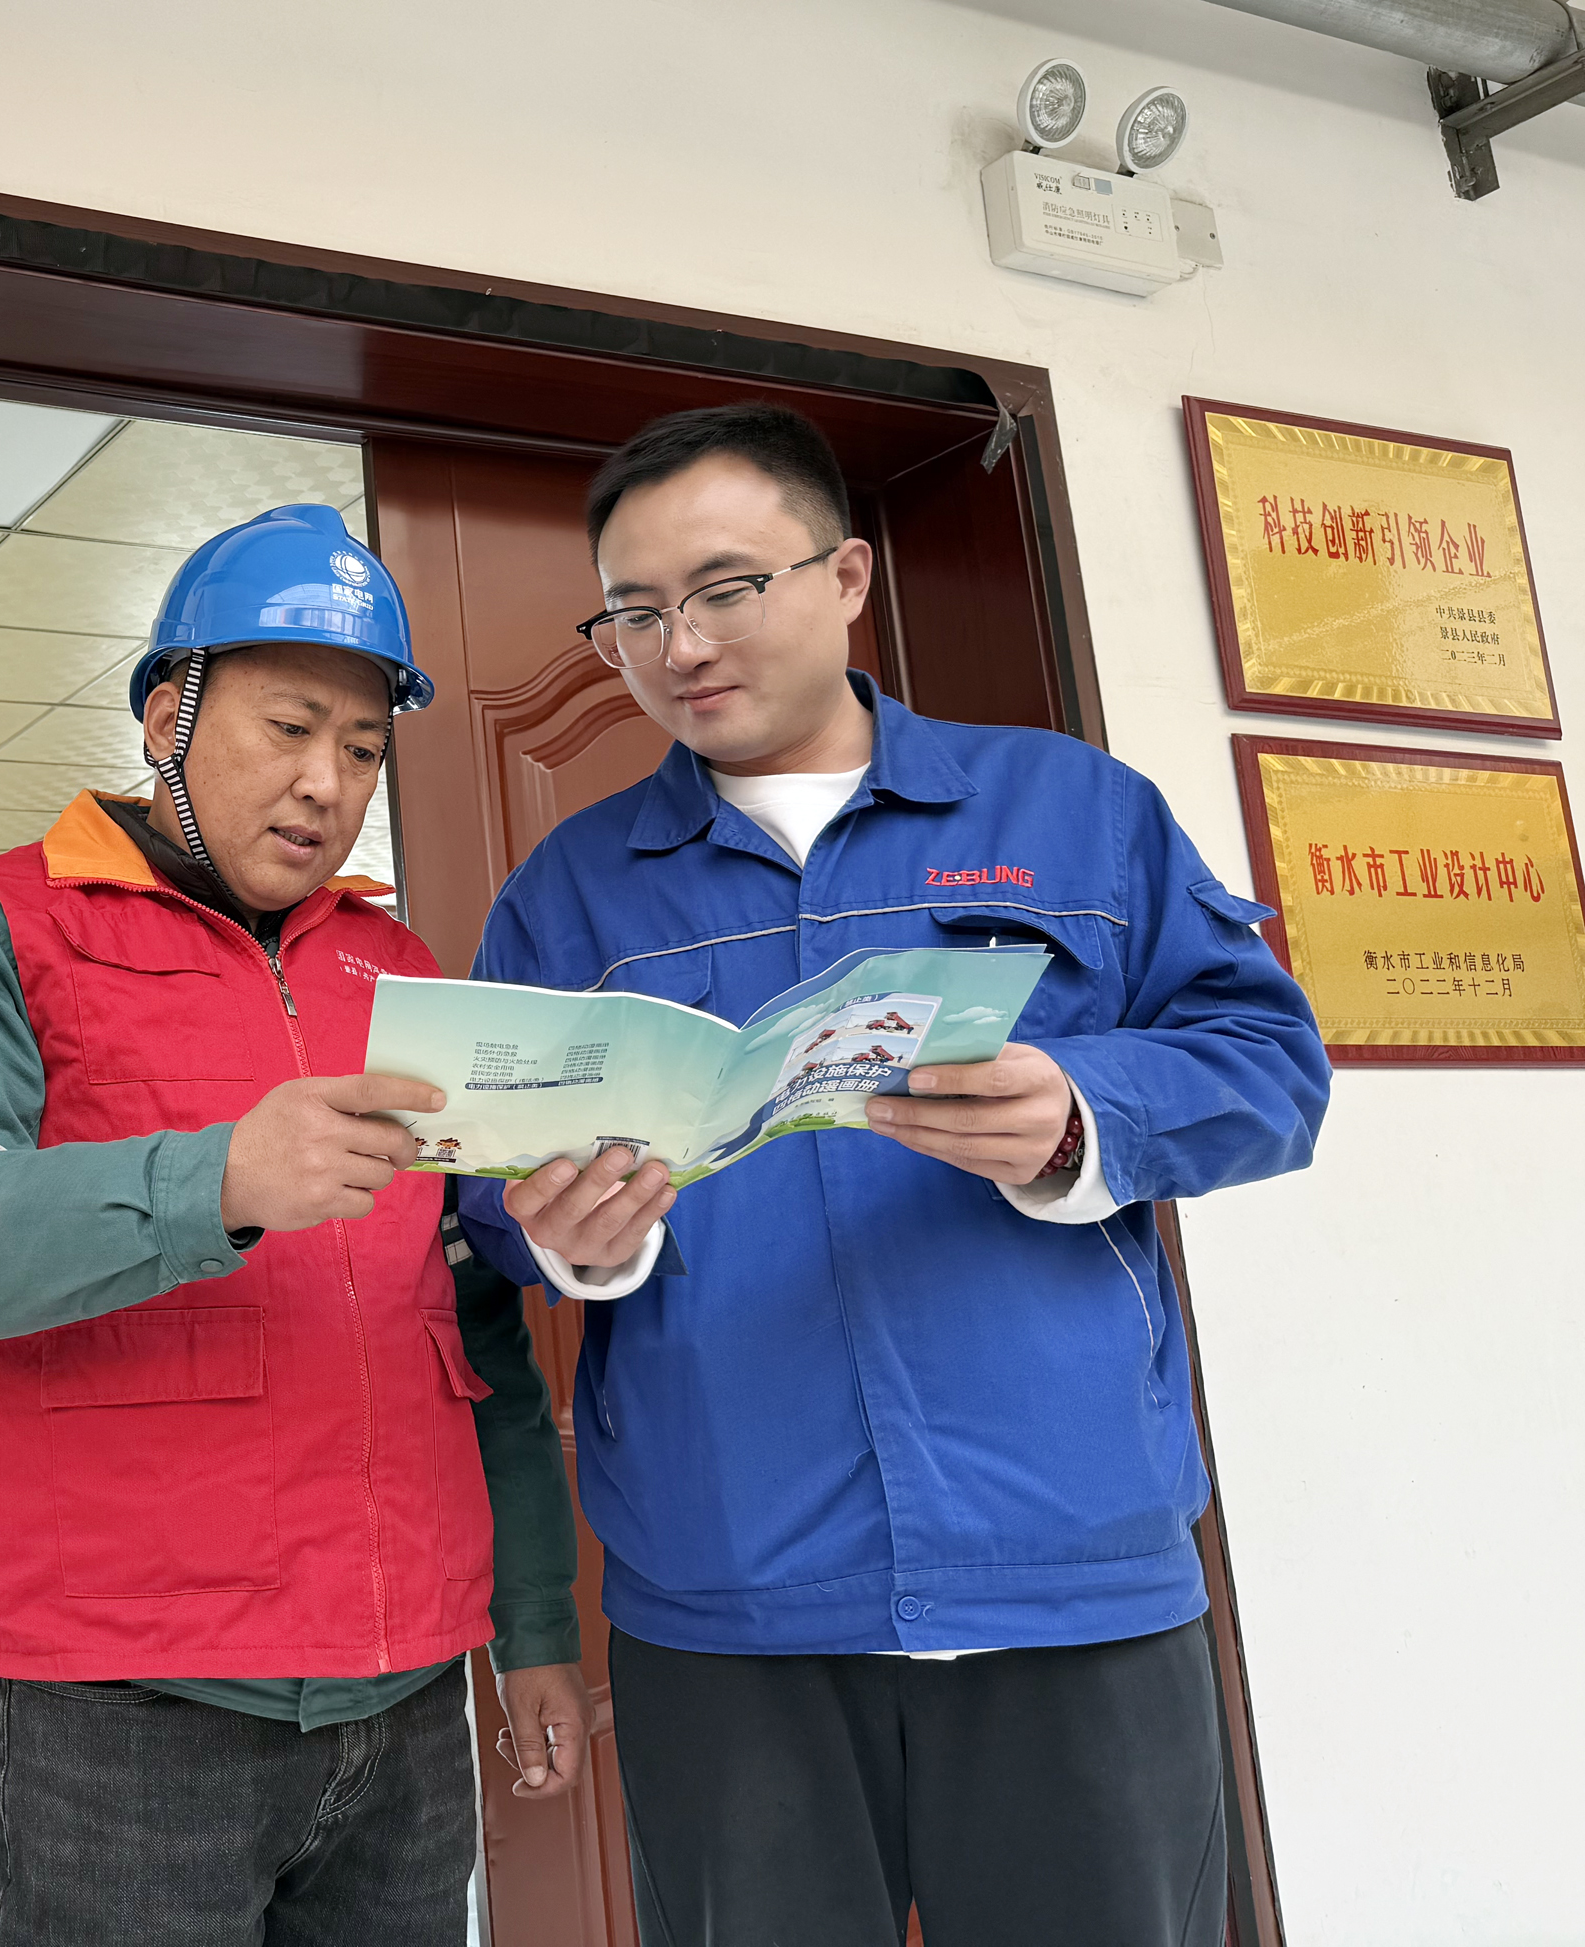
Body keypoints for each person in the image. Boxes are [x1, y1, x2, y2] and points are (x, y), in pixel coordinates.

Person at [458, 403, 1331, 1947]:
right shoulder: (570, 893)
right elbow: (489, 1202)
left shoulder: (1076, 812)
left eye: (726, 590)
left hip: (1069, 1577)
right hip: (729, 1600)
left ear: (847, 577)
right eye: (635, 615)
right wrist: (578, 1241)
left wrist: (1082, 1114)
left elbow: (1270, 1069)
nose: (680, 647)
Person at [0, 504, 590, 1946]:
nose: (325, 784)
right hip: (127, 1702)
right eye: (289, 728)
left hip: (407, 1696)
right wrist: (219, 1182)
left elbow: (467, 1320)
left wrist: (533, 1621)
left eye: (362, 750)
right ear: (165, 716)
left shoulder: (396, 966)